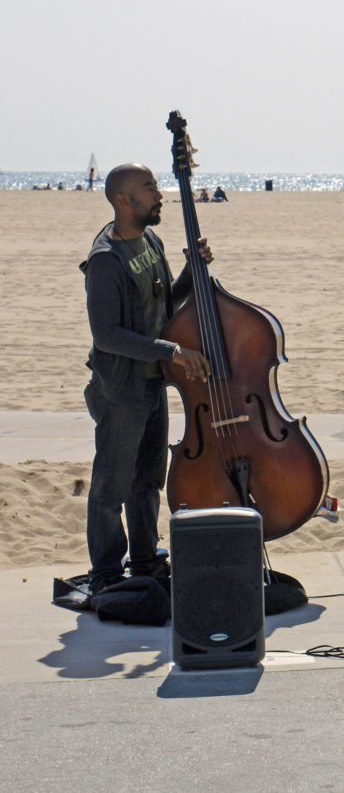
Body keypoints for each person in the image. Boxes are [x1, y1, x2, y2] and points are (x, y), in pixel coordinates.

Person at [80, 164, 213, 595]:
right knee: (111, 486)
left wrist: (193, 271)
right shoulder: (105, 260)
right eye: (149, 187)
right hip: (121, 388)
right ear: (124, 200)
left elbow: (163, 305)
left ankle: (144, 561)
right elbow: (108, 335)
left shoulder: (150, 240)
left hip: (152, 381)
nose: (159, 194)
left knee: (148, 480)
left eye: (156, 185)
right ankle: (105, 574)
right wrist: (170, 351)